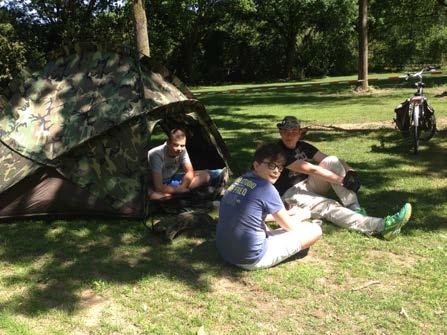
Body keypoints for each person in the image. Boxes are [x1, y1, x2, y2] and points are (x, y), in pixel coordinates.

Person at [274, 116, 412, 240]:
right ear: (280, 133)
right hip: (290, 193)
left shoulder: (302, 146)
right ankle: (382, 226)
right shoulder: (277, 151)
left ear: (299, 133)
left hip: (308, 184)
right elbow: (312, 169)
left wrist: (350, 171)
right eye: (285, 131)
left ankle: (354, 208)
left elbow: (328, 159)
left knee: (332, 160)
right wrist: (342, 180)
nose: (289, 135)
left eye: (293, 131)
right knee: (328, 206)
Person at [216, 142, 322, 270]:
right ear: (256, 165)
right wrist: (302, 217)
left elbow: (249, 215)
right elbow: (289, 227)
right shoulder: (266, 188)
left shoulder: (240, 180)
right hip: (251, 258)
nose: (277, 171)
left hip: (225, 252)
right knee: (314, 230)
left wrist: (290, 214)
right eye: (271, 165)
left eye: (280, 167)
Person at [147, 128, 227, 200]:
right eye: (175, 145)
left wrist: (183, 186)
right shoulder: (156, 154)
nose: (179, 149)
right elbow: (158, 187)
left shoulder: (182, 150)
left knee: (205, 175)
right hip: (157, 184)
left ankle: (188, 193)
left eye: (182, 145)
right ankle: (196, 192)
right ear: (168, 142)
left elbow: (189, 171)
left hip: (172, 179)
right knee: (159, 196)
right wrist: (178, 190)